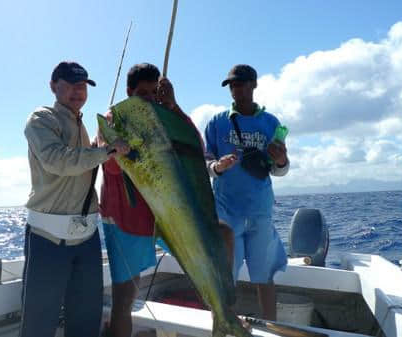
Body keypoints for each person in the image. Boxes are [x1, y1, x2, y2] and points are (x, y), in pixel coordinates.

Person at [21, 61, 129, 337]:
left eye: (82, 86)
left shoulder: (83, 124)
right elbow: (58, 161)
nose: (77, 91)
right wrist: (105, 151)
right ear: (53, 86)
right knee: (39, 322)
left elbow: (86, 161)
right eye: (69, 85)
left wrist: (103, 145)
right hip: (48, 236)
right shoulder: (41, 119)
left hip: (87, 237)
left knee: (85, 318)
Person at [99, 63, 198, 337]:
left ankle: (223, 311)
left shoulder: (165, 114)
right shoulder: (113, 120)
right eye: (143, 93)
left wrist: (173, 107)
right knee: (125, 299)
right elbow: (111, 167)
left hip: (163, 217)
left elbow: (195, 148)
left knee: (222, 234)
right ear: (129, 92)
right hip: (124, 219)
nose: (150, 99)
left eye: (154, 92)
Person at [204, 64, 289, 320]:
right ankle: (225, 324)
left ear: (254, 84)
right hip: (226, 214)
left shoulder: (271, 122)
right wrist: (217, 167)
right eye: (231, 84)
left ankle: (271, 326)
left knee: (264, 276)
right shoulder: (217, 123)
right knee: (225, 275)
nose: (235, 88)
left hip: (260, 212)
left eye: (240, 83)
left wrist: (282, 160)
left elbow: (279, 170)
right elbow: (205, 161)